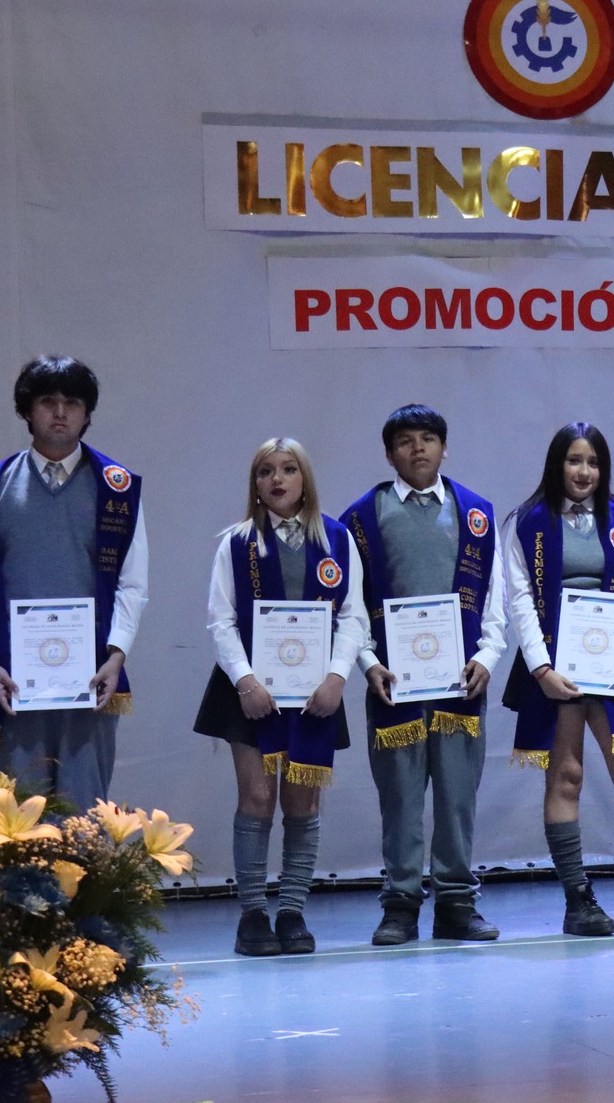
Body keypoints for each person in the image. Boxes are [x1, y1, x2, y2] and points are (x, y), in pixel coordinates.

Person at [504, 423, 614, 937]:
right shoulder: (526, 522)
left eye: (593, 463)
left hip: (613, 665)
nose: (584, 472)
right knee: (566, 777)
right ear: (556, 465)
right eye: (574, 461)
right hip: (554, 670)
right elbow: (519, 601)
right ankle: (578, 901)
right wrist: (541, 668)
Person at [341, 405, 510, 947]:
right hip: (394, 685)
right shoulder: (362, 519)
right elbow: (350, 604)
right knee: (401, 800)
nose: (419, 449)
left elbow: (496, 600)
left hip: (461, 682)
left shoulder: (476, 513)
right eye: (407, 441)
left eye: (429, 439)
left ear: (444, 448)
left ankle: (457, 904)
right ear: (389, 453)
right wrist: (368, 665)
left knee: (458, 798)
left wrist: (488, 656)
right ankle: (401, 906)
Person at [195, 439, 370, 955]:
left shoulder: (337, 539)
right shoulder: (236, 543)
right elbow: (221, 620)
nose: (277, 479)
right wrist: (246, 682)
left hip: (316, 693)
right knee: (256, 797)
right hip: (250, 692)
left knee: (303, 799)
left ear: (304, 479)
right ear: (255, 484)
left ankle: (292, 912)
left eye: (288, 470)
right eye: (266, 471)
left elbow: (354, 616)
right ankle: (252, 915)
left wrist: (338, 677)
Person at [0, 356, 146, 807]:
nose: (60, 412)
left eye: (72, 402)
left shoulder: (117, 490)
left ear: (87, 413)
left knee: (86, 815)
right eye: (47, 401)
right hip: (14, 682)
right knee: (17, 818)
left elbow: (133, 584)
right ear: (26, 410)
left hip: (92, 677)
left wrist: (116, 655)